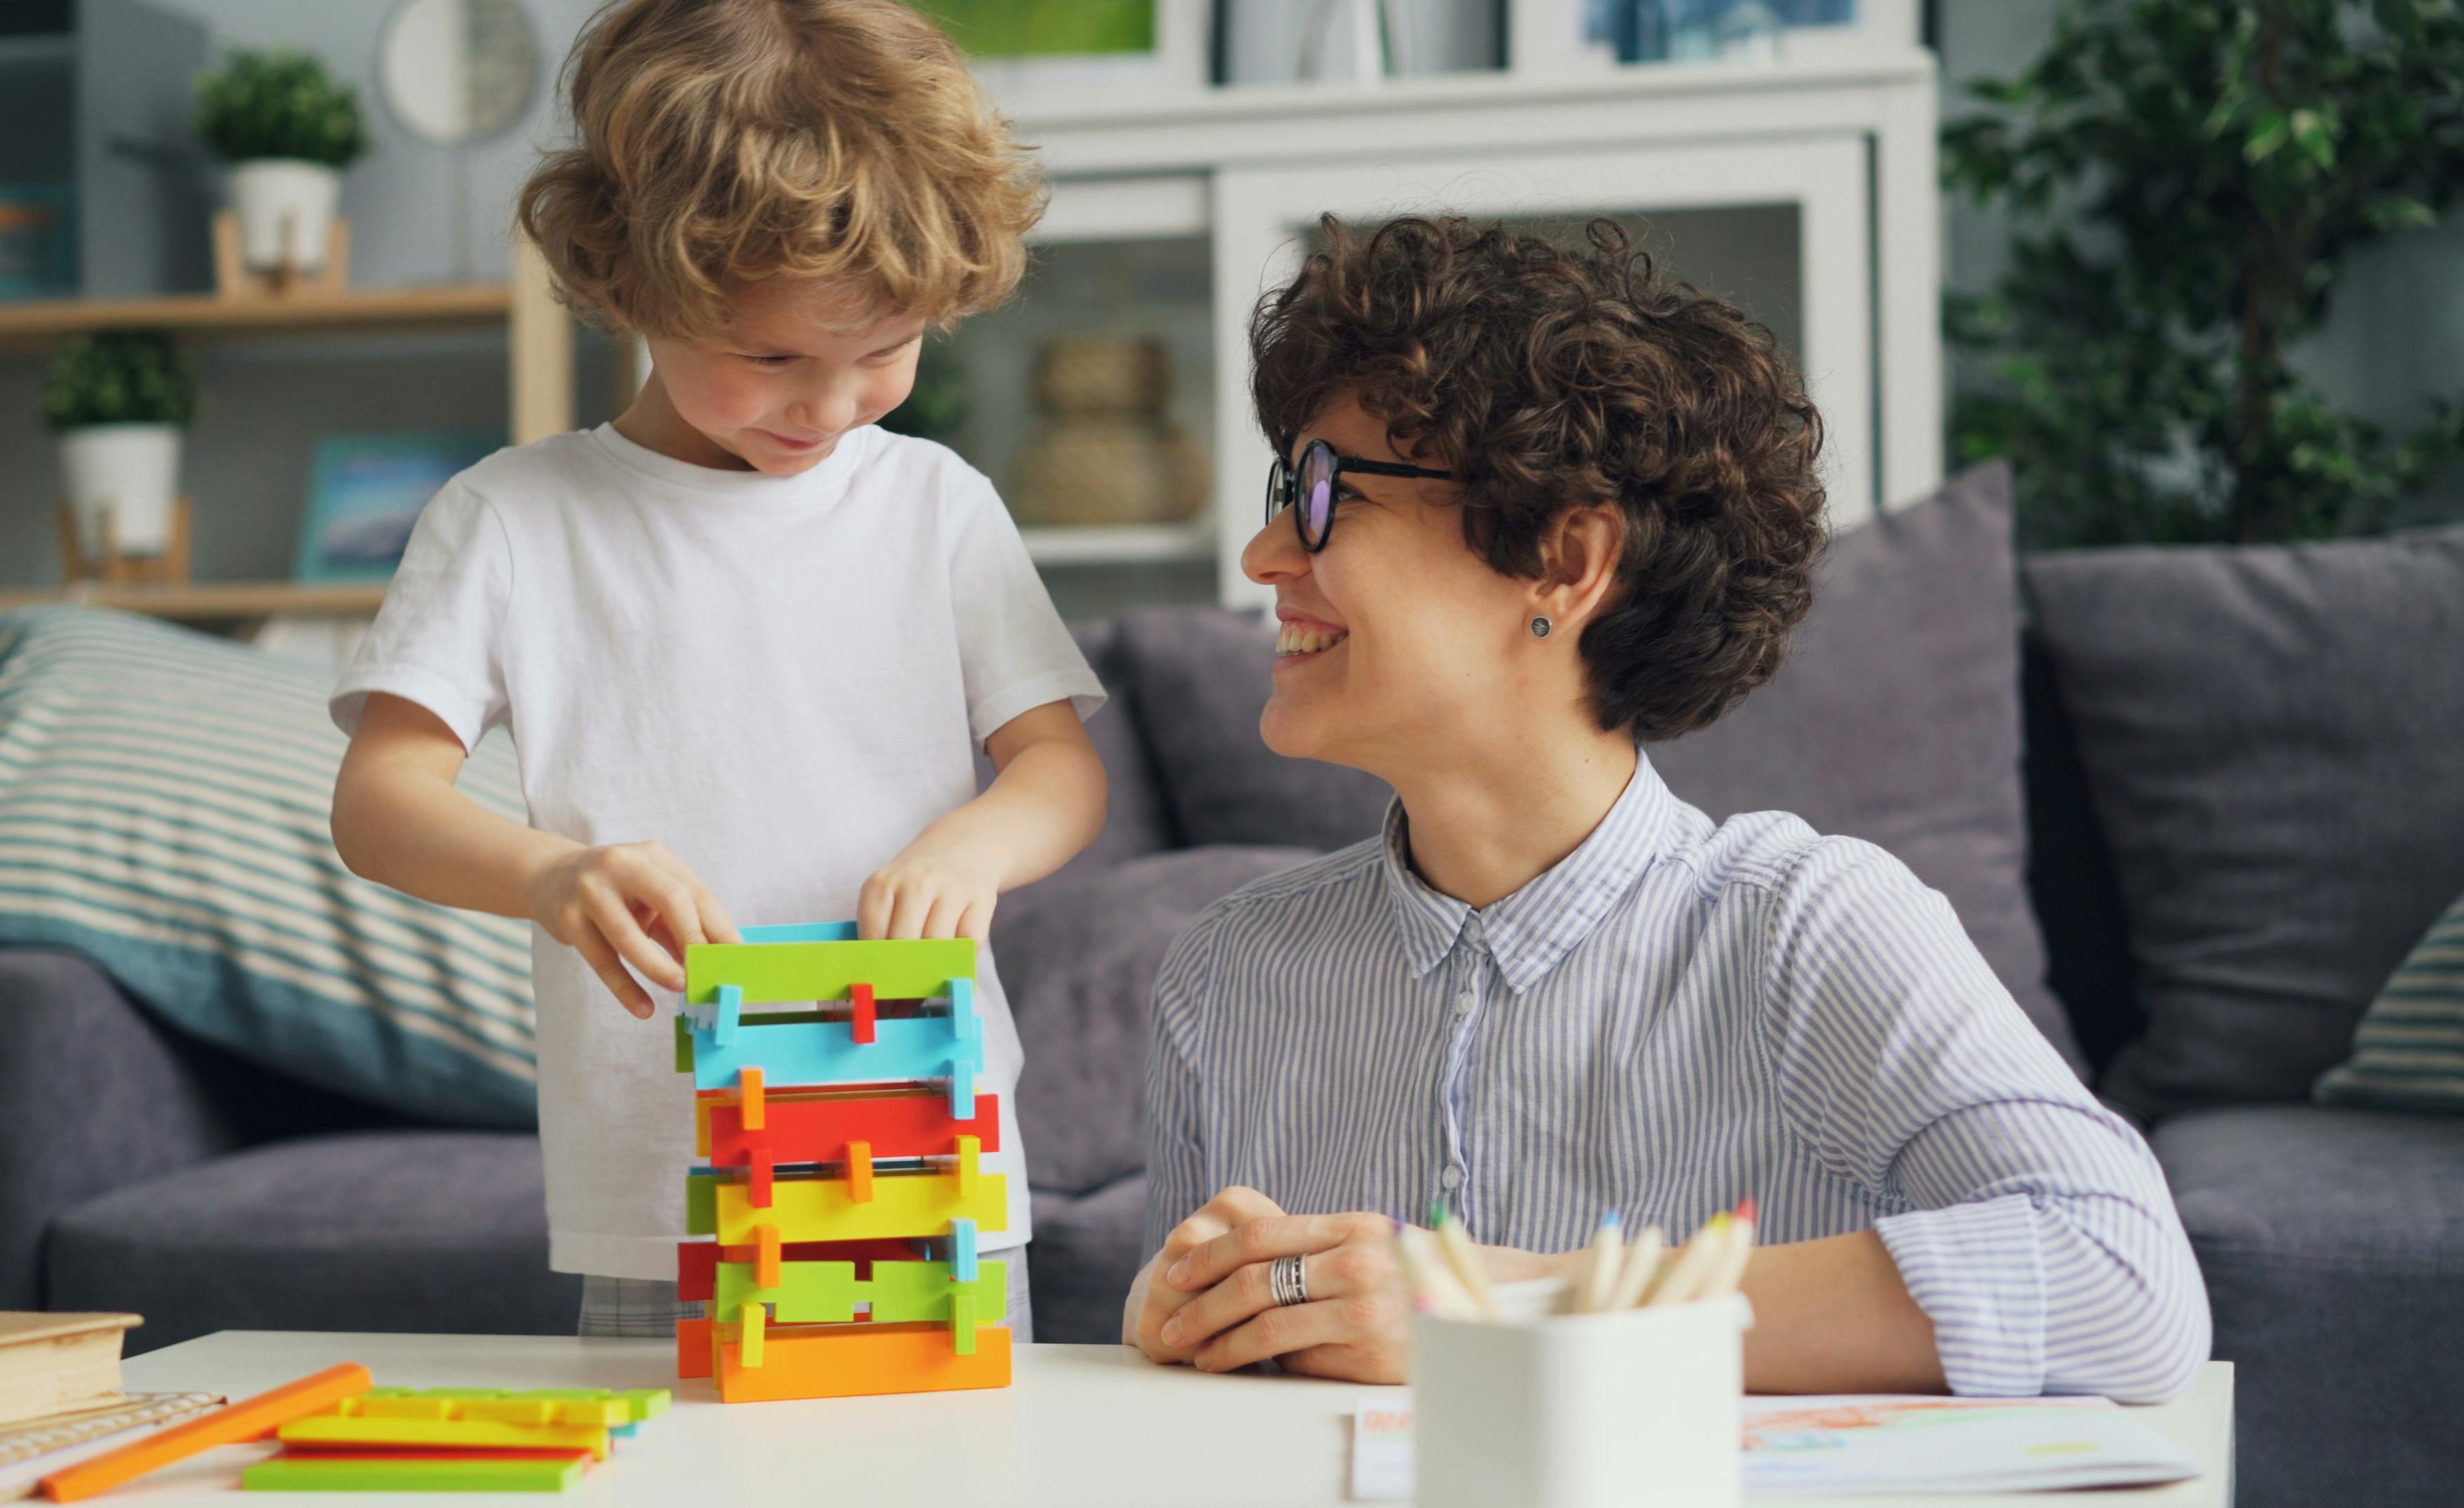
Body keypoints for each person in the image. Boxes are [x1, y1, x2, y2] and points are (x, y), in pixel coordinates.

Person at [1124, 215, 2209, 1401]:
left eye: (1329, 491)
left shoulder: (1805, 928)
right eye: (1292, 484)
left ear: (1568, 559)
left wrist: (1508, 1314)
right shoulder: (1227, 978)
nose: (1266, 550)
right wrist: (1177, 1319)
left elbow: (2126, 1284)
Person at [327, 0, 1108, 1341]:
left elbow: (1058, 767)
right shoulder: (515, 518)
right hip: (666, 1178)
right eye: (771, 357)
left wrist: (976, 849)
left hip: (925, 1148)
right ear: (629, 282)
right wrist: (553, 875)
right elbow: (381, 800)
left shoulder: (937, 503)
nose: (827, 405)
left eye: (884, 353)